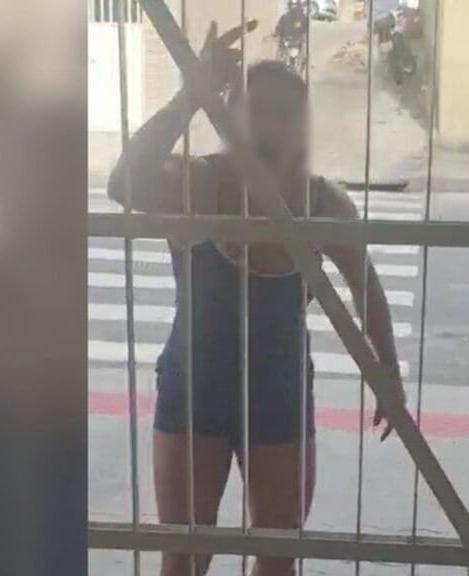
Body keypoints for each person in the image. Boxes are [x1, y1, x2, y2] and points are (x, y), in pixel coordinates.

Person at [108, 21, 405, 576]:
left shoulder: (322, 202)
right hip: (195, 391)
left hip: (280, 394)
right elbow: (124, 183)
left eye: (284, 113)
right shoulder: (200, 184)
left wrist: (387, 371)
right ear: (231, 114)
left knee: (278, 557)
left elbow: (365, 283)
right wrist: (189, 97)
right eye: (256, 109)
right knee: (185, 556)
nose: (269, 124)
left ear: (302, 126)